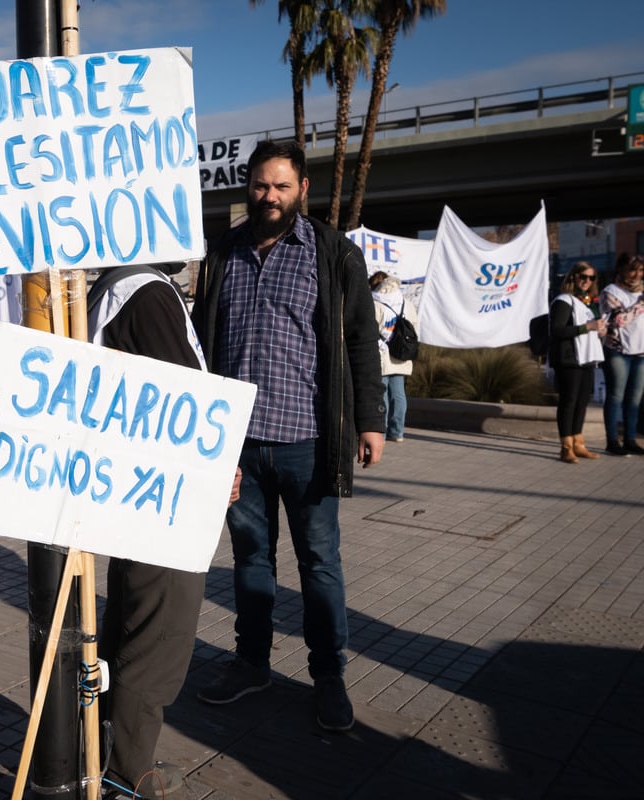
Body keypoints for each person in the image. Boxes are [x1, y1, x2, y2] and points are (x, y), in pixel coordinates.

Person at [190, 139, 385, 733]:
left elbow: (359, 340)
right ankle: (252, 663)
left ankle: (329, 674)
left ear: (302, 189)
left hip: (308, 441)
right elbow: (202, 338)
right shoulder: (224, 251)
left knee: (319, 561)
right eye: (259, 185)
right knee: (251, 559)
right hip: (238, 447)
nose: (269, 196)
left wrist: (371, 420)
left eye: (280, 186)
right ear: (246, 188)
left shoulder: (332, 253)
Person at [87, 262, 235, 799]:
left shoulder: (121, 287)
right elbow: (186, 402)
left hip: (141, 494)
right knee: (158, 636)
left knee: (132, 623)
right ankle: (129, 775)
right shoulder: (146, 292)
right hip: (165, 499)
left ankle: (107, 756)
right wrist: (217, 468)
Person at [549, 261, 606, 462]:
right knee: (569, 401)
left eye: (591, 278)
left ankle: (578, 443)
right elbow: (556, 330)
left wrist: (599, 330)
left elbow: (590, 328)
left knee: (582, 402)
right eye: (583, 277)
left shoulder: (589, 302)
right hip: (569, 358)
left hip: (587, 357)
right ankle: (566, 447)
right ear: (573, 277)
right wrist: (586, 327)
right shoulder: (564, 300)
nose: (587, 281)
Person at [599, 254, 644, 455]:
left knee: (634, 399)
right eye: (632, 269)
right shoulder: (610, 291)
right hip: (618, 350)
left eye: (641, 270)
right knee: (616, 396)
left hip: (641, 351)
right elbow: (619, 321)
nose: (636, 275)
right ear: (621, 270)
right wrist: (640, 305)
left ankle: (630, 439)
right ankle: (612, 440)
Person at [370, 271, 418, 443]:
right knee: (398, 394)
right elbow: (414, 327)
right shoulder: (406, 303)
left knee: (380, 393)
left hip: (381, 354)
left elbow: (368, 332)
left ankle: (380, 432)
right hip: (401, 353)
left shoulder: (374, 304)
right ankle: (397, 432)